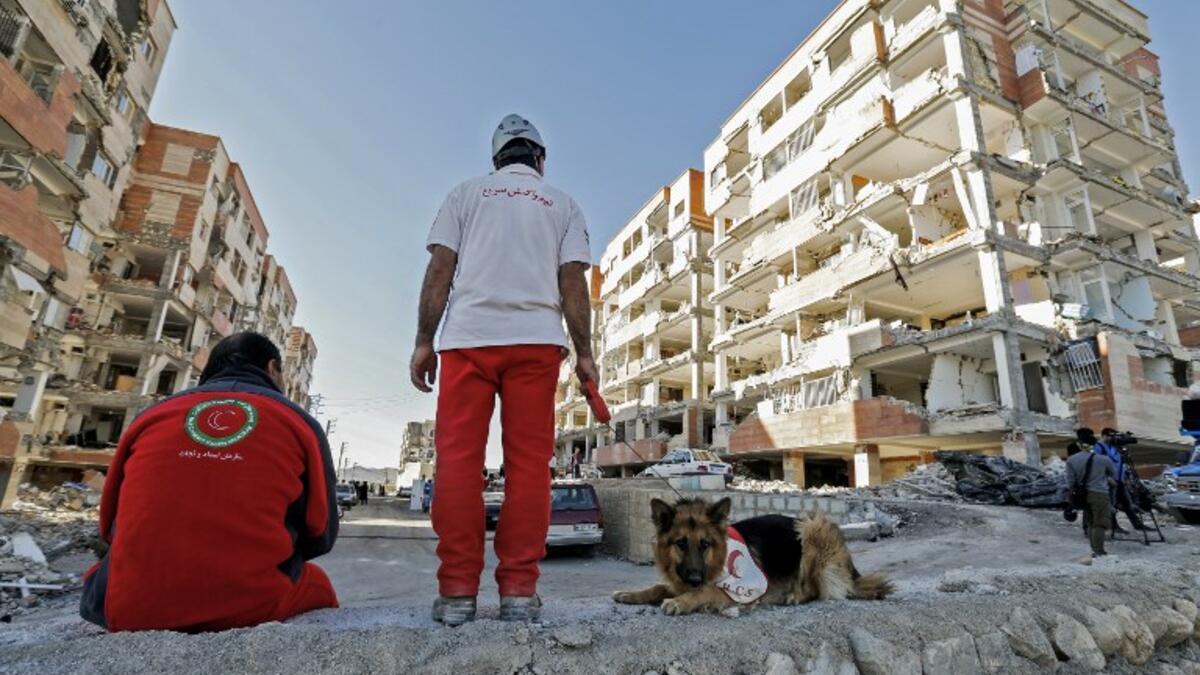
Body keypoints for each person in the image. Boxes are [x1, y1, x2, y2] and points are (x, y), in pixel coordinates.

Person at [410, 114, 595, 626]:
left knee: (457, 465)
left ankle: (456, 596)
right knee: (530, 469)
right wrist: (584, 353)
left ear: (496, 161)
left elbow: (439, 270)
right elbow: (572, 284)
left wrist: (424, 341)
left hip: (468, 341)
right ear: (539, 159)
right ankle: (517, 591)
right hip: (536, 345)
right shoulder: (563, 203)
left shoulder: (464, 195)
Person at [80, 332, 339, 632]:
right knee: (318, 584)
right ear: (271, 369)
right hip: (250, 606)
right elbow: (320, 535)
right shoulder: (298, 422)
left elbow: (109, 526)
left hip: (129, 608)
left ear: (209, 370)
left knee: (100, 579)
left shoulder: (151, 416)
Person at [1065, 441, 1117, 558]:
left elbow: (1070, 482)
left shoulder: (1071, 460)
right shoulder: (1104, 459)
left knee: (1090, 522)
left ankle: (1094, 549)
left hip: (1082, 495)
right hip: (1099, 494)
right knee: (1100, 523)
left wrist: (1071, 500)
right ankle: (1099, 551)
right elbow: (1113, 473)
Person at [1097, 428, 1144, 531]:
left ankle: (1138, 525)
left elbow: (1119, 463)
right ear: (1104, 436)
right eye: (1111, 436)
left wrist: (1125, 478)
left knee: (1127, 503)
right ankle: (1114, 526)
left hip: (1119, 480)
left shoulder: (1115, 447)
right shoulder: (1099, 446)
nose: (1113, 438)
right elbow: (1097, 464)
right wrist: (1106, 478)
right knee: (1111, 504)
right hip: (1108, 481)